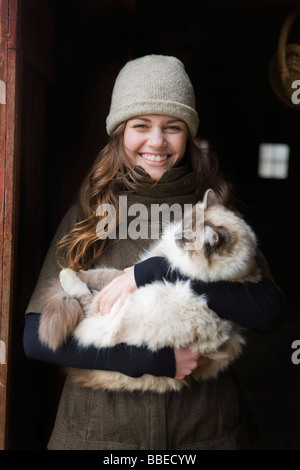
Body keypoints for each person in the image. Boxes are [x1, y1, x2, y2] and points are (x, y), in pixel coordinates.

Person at [23, 55, 283, 450]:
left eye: (173, 127)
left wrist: (161, 271)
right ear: (118, 133)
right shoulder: (93, 213)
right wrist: (150, 361)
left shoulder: (211, 213)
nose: (157, 141)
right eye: (140, 125)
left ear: (189, 135)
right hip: (101, 432)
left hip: (203, 428)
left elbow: (268, 312)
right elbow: (34, 339)